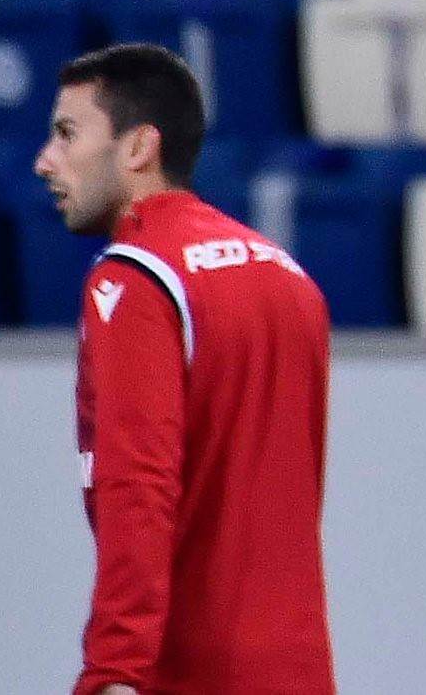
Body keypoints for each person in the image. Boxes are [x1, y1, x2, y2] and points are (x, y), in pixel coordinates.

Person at [36, 43, 335, 695]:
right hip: (298, 669)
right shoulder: (285, 273)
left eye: (66, 133)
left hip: (191, 670)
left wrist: (114, 669)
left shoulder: (137, 274)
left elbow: (136, 482)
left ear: (139, 146)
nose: (45, 161)